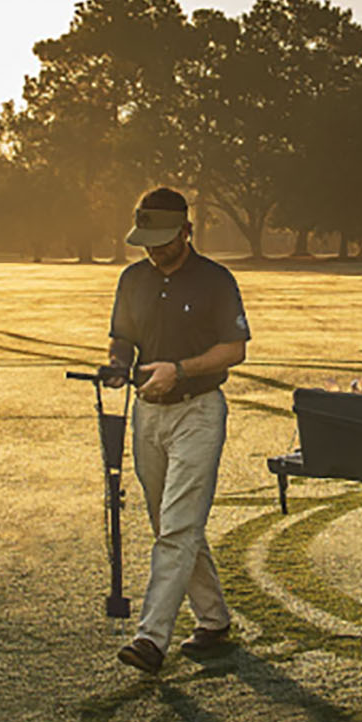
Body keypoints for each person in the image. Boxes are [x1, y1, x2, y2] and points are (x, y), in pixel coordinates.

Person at [105, 186, 250, 673]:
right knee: (169, 524)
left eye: (163, 239)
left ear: (187, 231)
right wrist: (117, 365)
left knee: (178, 526)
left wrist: (180, 370)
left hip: (198, 410)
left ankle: (151, 638)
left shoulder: (215, 280)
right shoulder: (132, 280)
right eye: (146, 239)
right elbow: (121, 338)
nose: (153, 248)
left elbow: (234, 350)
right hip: (147, 413)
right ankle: (213, 620)